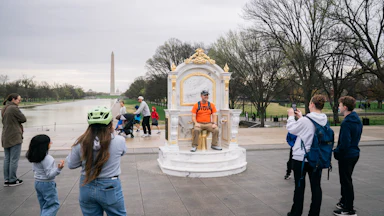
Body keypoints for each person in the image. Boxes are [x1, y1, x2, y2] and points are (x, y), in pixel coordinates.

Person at [66, 106, 127, 216]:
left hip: (86, 185)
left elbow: (71, 164)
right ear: (110, 124)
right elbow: (122, 152)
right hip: (110, 186)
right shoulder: (119, 141)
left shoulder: (80, 142)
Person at [286, 95, 328, 216]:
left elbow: (291, 129)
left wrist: (290, 117)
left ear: (312, 105)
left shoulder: (306, 120)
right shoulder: (324, 119)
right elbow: (309, 128)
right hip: (317, 157)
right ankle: (314, 213)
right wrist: (301, 117)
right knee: (316, 187)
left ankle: (296, 212)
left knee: (299, 186)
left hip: (301, 158)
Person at [333, 96, 362, 216]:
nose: (338, 107)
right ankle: (344, 201)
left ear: (345, 107)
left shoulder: (346, 122)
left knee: (346, 181)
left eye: (339, 105)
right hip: (354, 153)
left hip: (347, 155)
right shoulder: (357, 120)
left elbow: (345, 143)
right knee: (346, 179)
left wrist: (336, 152)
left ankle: (349, 209)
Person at [26, 134, 64, 216]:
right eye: (50, 142)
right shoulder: (48, 158)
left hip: (37, 183)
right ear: (45, 145)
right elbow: (50, 175)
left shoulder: (35, 156)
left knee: (44, 205)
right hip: (47, 184)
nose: (51, 143)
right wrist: (58, 169)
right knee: (53, 205)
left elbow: (34, 170)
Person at [2, 93, 27, 187]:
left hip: (5, 135)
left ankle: (7, 179)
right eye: (18, 100)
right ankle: (12, 179)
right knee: (14, 159)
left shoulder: (4, 108)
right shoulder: (14, 108)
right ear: (13, 99)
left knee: (7, 159)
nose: (19, 102)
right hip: (14, 136)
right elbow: (23, 119)